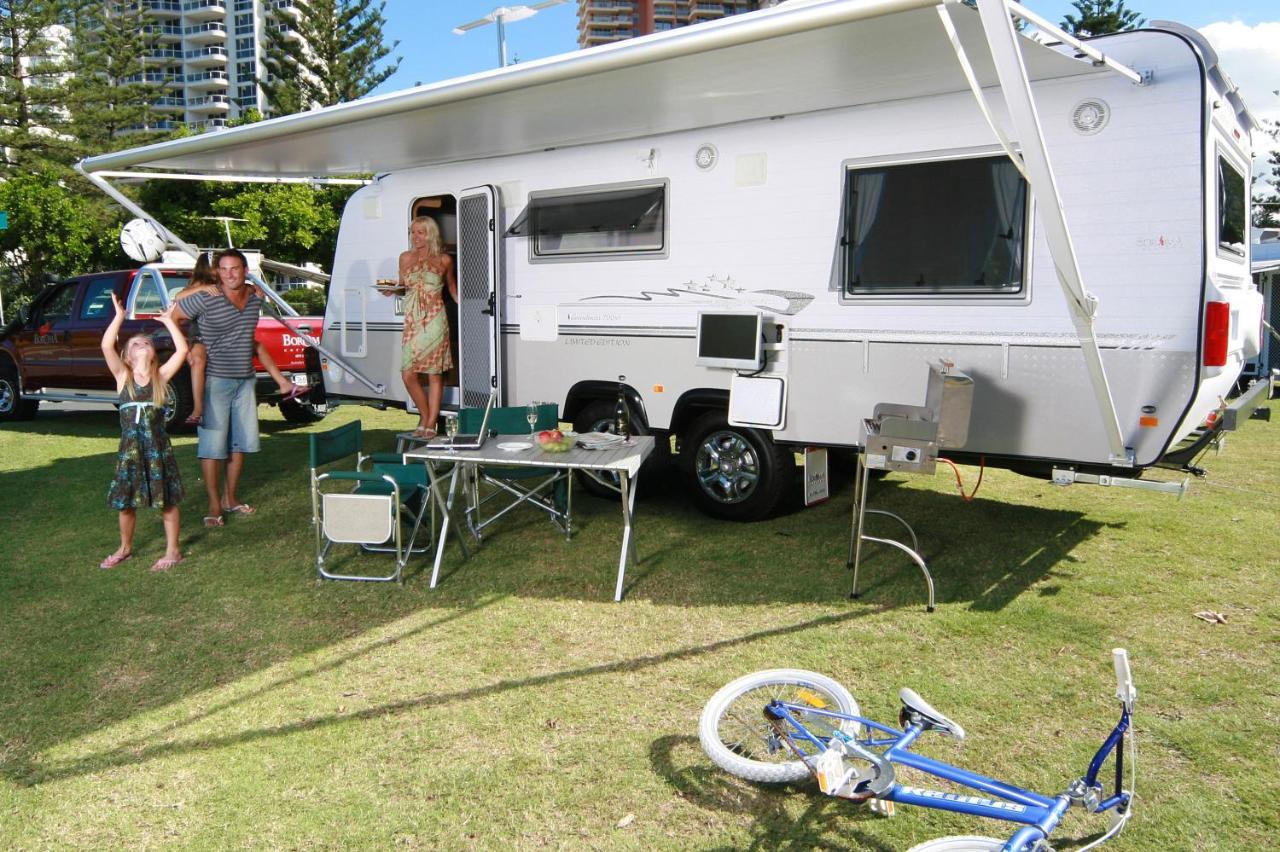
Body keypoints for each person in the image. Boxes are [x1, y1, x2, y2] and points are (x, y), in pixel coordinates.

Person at [172, 249, 302, 527]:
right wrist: (185, 349)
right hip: (214, 382)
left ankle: (231, 499)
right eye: (224, 269)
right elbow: (173, 316)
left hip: (245, 381)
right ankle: (214, 505)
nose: (230, 274)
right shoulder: (207, 297)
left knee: (239, 444)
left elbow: (251, 339)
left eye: (235, 268)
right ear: (217, 272)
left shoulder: (255, 297)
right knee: (212, 448)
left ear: (245, 270)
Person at [100, 293, 189, 572]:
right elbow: (106, 345)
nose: (142, 344)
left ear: (153, 353)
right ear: (127, 354)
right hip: (130, 452)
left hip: (157, 451)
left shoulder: (161, 377)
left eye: (147, 343)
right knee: (126, 503)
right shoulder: (122, 377)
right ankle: (124, 548)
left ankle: (173, 551)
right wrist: (118, 318)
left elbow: (183, 351)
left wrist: (169, 321)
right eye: (135, 343)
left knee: (167, 501)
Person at [381, 215, 459, 438]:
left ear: (430, 234)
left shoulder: (444, 260)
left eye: (420, 232)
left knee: (435, 375)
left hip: (435, 320)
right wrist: (391, 290)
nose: (415, 237)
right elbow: (403, 287)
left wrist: (475, 307)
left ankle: (431, 423)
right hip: (412, 321)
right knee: (408, 375)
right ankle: (425, 415)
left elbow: (452, 290)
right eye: (412, 232)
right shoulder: (405, 258)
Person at [173, 252, 218, 426]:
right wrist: (201, 289)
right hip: (200, 333)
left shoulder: (226, 282)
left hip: (222, 334)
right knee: (197, 360)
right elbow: (178, 298)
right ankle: (198, 408)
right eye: (215, 265)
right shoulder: (197, 285)